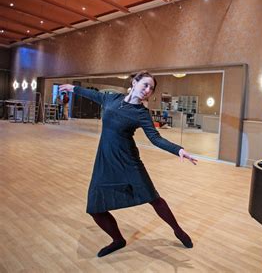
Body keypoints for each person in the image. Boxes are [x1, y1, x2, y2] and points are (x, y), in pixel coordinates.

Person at [59, 71, 198, 258]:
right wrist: (73, 88)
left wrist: (178, 150)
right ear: (134, 82)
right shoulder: (113, 99)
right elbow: (93, 95)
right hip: (105, 160)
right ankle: (118, 240)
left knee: (153, 198)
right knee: (95, 208)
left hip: (129, 162)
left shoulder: (142, 113)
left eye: (151, 88)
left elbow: (155, 138)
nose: (148, 90)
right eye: (145, 85)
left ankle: (177, 230)